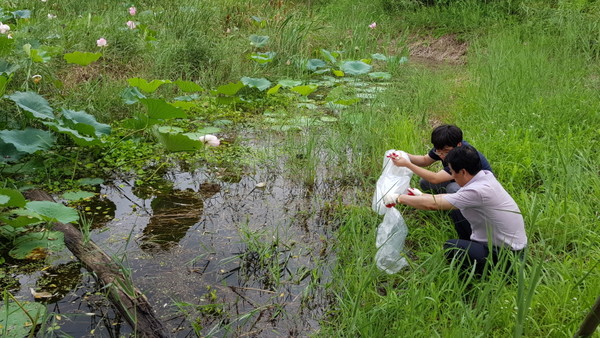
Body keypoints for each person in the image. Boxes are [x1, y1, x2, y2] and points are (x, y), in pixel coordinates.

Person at [383, 145, 527, 276]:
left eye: (452, 172)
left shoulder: (478, 191)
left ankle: (480, 274)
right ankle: (471, 247)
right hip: (500, 242)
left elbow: (432, 205)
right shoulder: (483, 176)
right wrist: (422, 196)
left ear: (463, 171)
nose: (451, 176)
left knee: (452, 247)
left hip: (507, 257)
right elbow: (450, 199)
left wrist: (398, 198)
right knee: (457, 210)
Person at [390, 124, 492, 240]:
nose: (442, 155)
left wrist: (407, 164)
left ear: (458, 145)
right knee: (425, 183)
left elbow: (435, 178)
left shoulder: (462, 156)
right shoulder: (442, 148)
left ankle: (460, 214)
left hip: (476, 191)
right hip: (458, 180)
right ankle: (448, 204)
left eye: (445, 152)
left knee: (452, 189)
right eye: (438, 151)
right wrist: (404, 155)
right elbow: (424, 160)